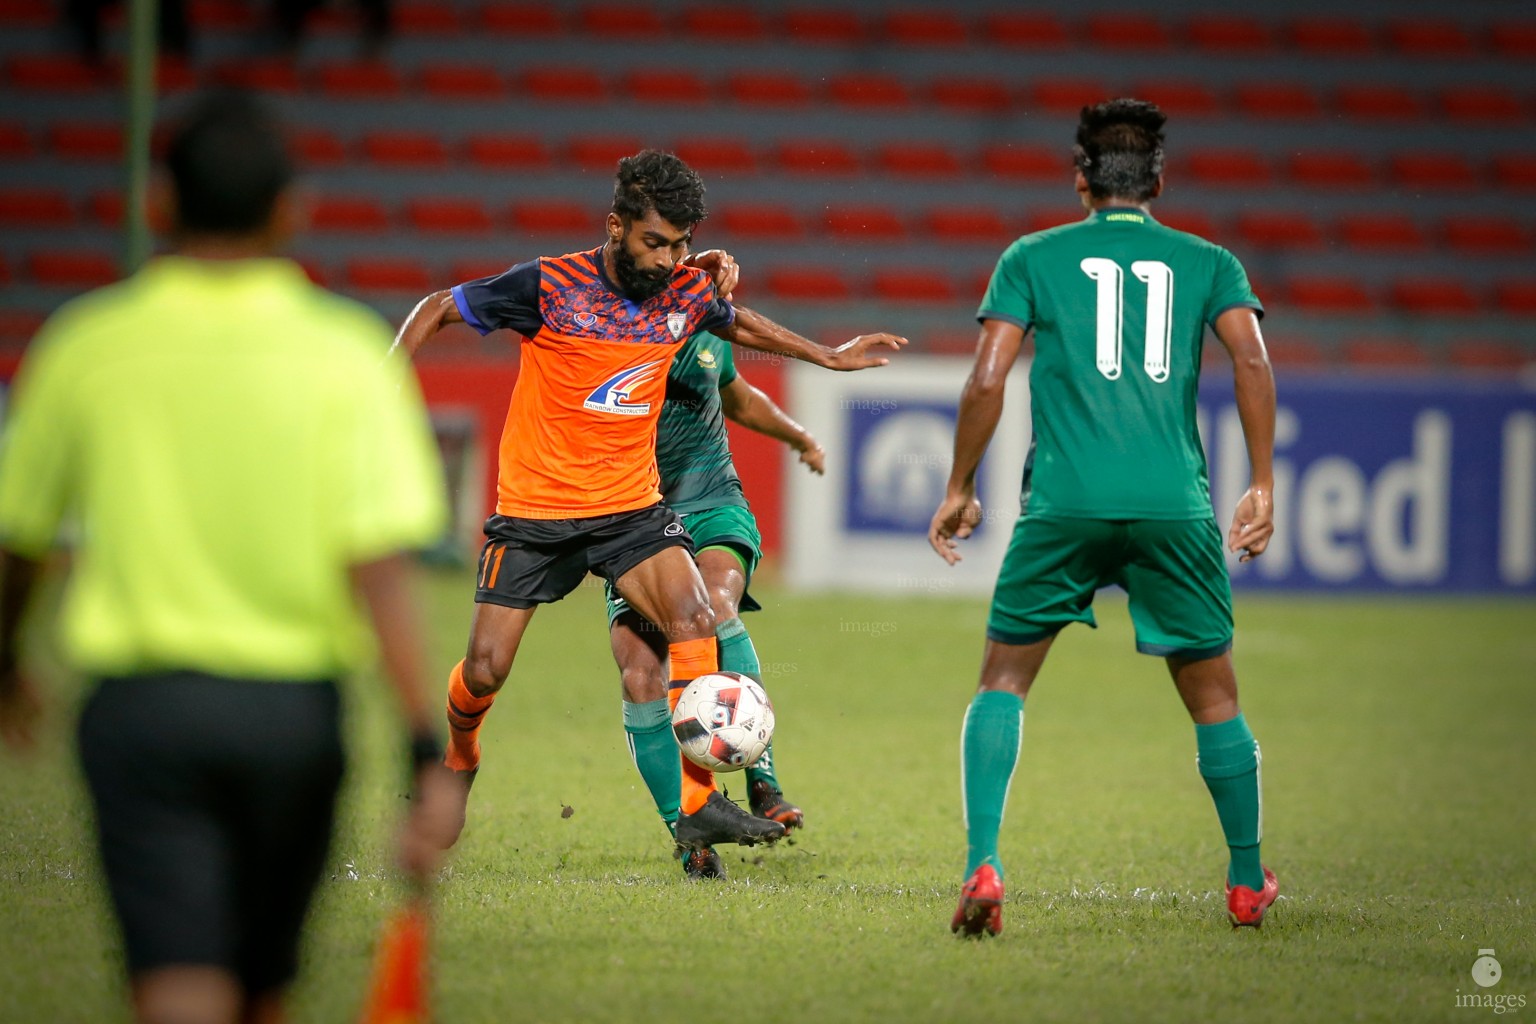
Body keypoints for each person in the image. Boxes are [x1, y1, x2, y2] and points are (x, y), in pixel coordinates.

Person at [0, 90, 458, 1024]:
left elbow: (21, 539)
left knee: (175, 980)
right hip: (291, 718)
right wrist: (423, 749)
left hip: (141, 710)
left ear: (154, 204)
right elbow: (378, 568)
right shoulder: (342, 354)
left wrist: (7, 661)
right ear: (294, 210)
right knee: (261, 990)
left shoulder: (87, 345)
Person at [392, 149, 905, 858]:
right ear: (616, 227)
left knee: (696, 617)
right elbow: (439, 307)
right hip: (537, 511)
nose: (668, 260)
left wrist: (828, 355)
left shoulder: (683, 293)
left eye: (681, 245)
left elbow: (740, 324)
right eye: (654, 242)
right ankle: (459, 759)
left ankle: (698, 805)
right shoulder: (548, 284)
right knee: (485, 670)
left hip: (632, 507)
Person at [928, 99, 1279, 937]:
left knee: (1002, 681)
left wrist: (959, 485)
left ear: (1079, 180)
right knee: (1214, 695)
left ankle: (984, 861)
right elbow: (1253, 359)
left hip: (1064, 505)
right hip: (1173, 508)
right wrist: (1262, 482)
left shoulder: (1032, 258)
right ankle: (1242, 880)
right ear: (1158, 180)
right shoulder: (1210, 263)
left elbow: (986, 380)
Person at [608, 326, 821, 879]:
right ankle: (687, 834)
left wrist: (798, 436)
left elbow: (740, 396)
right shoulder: (605, 329)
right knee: (639, 676)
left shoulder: (706, 322)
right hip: (636, 517)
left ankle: (762, 779)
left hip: (713, 503)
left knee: (716, 604)